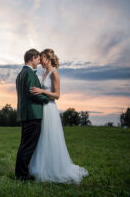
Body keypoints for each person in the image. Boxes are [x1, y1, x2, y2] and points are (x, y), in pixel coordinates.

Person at [28, 49, 88, 184]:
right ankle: (39, 166)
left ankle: (53, 168)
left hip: (50, 109)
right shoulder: (44, 72)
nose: (40, 60)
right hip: (41, 108)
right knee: (41, 137)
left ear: (48, 59)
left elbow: (57, 95)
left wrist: (42, 90)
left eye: (42, 58)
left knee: (49, 137)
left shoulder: (55, 73)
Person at [15, 49, 50, 181]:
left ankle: (20, 173)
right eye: (38, 59)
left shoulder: (20, 74)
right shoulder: (29, 73)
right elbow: (31, 92)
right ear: (32, 58)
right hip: (33, 115)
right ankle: (22, 176)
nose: (39, 62)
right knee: (28, 146)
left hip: (25, 114)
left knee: (24, 145)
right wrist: (46, 99)